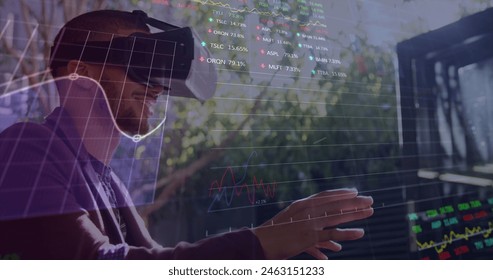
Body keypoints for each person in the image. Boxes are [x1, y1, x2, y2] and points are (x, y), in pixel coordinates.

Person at [0, 9, 373, 260]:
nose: (158, 88)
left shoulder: (109, 181)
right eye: (142, 66)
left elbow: (158, 260)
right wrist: (261, 242)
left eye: (161, 73)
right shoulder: (25, 148)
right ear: (80, 73)